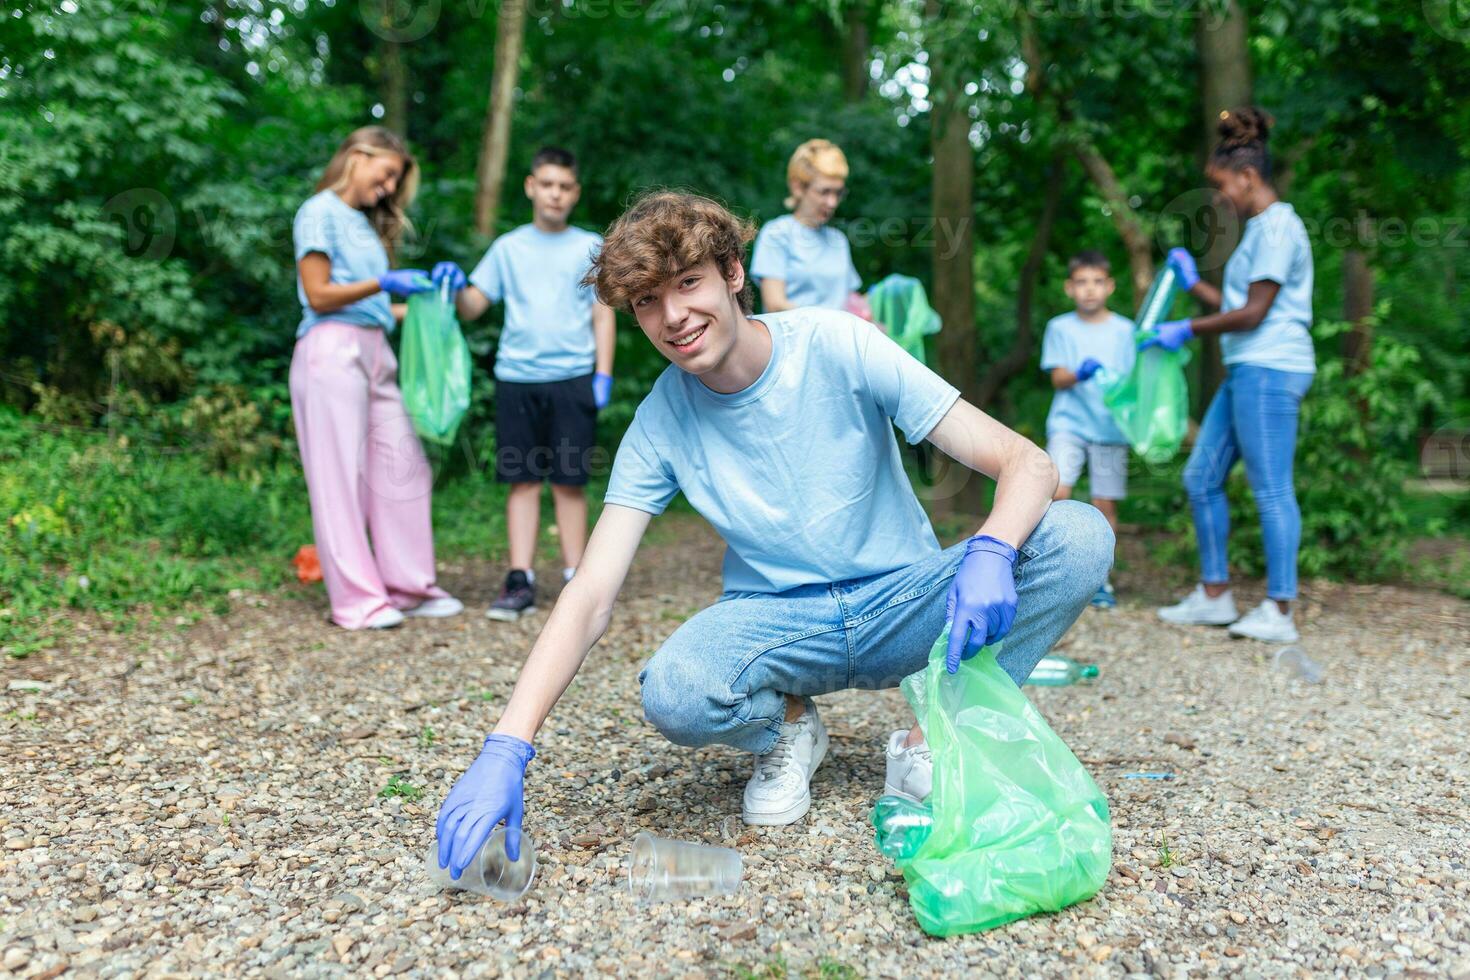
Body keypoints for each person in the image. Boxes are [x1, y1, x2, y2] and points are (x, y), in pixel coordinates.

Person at [433, 191, 1113, 878]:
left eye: (689, 283)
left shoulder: (836, 341)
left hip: (904, 603)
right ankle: (787, 725)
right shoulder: (661, 419)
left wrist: (993, 550)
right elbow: (590, 596)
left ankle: (937, 732)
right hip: (782, 626)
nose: (673, 317)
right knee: (675, 688)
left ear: (732, 273)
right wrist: (506, 748)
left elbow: (1029, 463)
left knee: (1078, 535)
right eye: (646, 302)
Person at [1144, 107, 1315, 643]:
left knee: (1270, 489)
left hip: (1271, 367)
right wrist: (1194, 286)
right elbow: (1241, 304)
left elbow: (1255, 314)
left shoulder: (1280, 229)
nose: (1220, 199)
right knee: (1201, 476)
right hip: (1248, 367)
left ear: (1247, 177)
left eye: (1221, 188)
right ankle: (1215, 597)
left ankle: (1280, 611)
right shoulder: (1260, 231)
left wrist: (1187, 328)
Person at [289, 125, 463, 631]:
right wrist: (384, 281)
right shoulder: (318, 211)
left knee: (402, 465)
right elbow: (318, 294)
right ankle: (358, 602)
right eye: (386, 175)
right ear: (359, 156)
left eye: (393, 182)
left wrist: (431, 297)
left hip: (374, 349)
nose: (387, 190)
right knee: (337, 479)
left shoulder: (364, 227)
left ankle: (408, 587)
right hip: (331, 348)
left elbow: (379, 308)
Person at [433, 147, 616, 620]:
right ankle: (520, 580)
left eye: (565, 186)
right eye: (547, 184)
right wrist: (452, 288)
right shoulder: (508, 247)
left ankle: (578, 579)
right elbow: (474, 306)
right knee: (521, 479)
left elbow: (604, 315)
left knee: (570, 481)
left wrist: (603, 373)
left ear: (574, 193)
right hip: (517, 378)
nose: (555, 193)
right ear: (531, 187)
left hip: (574, 378)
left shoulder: (590, 246)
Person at [1039, 251, 1136, 609]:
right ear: (1069, 288)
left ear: (1109, 287)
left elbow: (1133, 382)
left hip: (1111, 429)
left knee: (1104, 503)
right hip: (1070, 426)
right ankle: (1050, 575)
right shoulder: (1060, 328)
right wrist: (1081, 371)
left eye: (1097, 282)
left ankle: (1099, 581)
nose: (1089, 290)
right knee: (1057, 492)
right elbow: (1058, 378)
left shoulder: (1126, 331)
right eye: (1081, 282)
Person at [750, 139, 862, 314]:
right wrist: (832, 324)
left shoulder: (838, 240)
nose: (832, 203)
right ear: (797, 187)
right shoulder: (777, 233)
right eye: (824, 192)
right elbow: (775, 305)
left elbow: (851, 301)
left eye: (838, 193)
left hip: (839, 340)